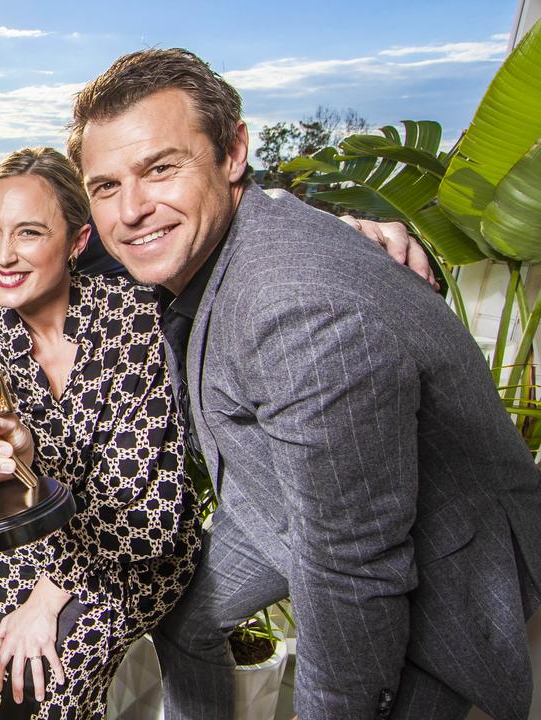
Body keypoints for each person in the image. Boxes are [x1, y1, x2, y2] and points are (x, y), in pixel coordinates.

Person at [0, 55, 438, 720]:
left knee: (3, 642)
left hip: (107, 528)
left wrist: (331, 230)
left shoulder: (122, 300)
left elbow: (195, 231)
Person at [67, 47, 541, 720]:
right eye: (106, 186)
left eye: (160, 168)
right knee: (182, 615)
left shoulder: (292, 309)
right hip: (278, 501)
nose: (131, 209)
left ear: (233, 154)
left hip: (434, 560)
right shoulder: (233, 230)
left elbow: (353, 570)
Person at [0, 147, 200, 718]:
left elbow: (145, 514)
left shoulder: (135, 318)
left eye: (29, 232)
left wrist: (46, 603)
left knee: (48, 670)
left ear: (78, 242)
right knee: (1, 682)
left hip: (133, 550)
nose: (3, 255)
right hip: (29, 549)